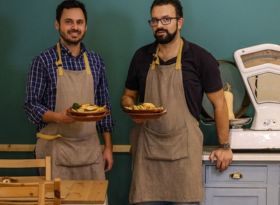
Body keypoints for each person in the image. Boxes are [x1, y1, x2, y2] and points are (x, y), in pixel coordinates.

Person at [121, 0, 233, 204]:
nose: (159, 25)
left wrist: (224, 146)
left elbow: (220, 104)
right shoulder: (140, 57)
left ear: (179, 22)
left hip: (184, 156)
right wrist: (130, 109)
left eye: (166, 19)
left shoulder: (201, 58)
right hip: (147, 155)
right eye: (154, 20)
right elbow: (128, 96)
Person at [24, 0, 114, 182]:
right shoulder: (42, 61)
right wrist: (58, 118)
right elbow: (31, 106)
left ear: (86, 26)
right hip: (53, 151)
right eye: (69, 22)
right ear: (58, 24)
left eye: (79, 22)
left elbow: (104, 108)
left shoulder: (96, 61)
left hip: (90, 152)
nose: (75, 27)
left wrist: (108, 147)